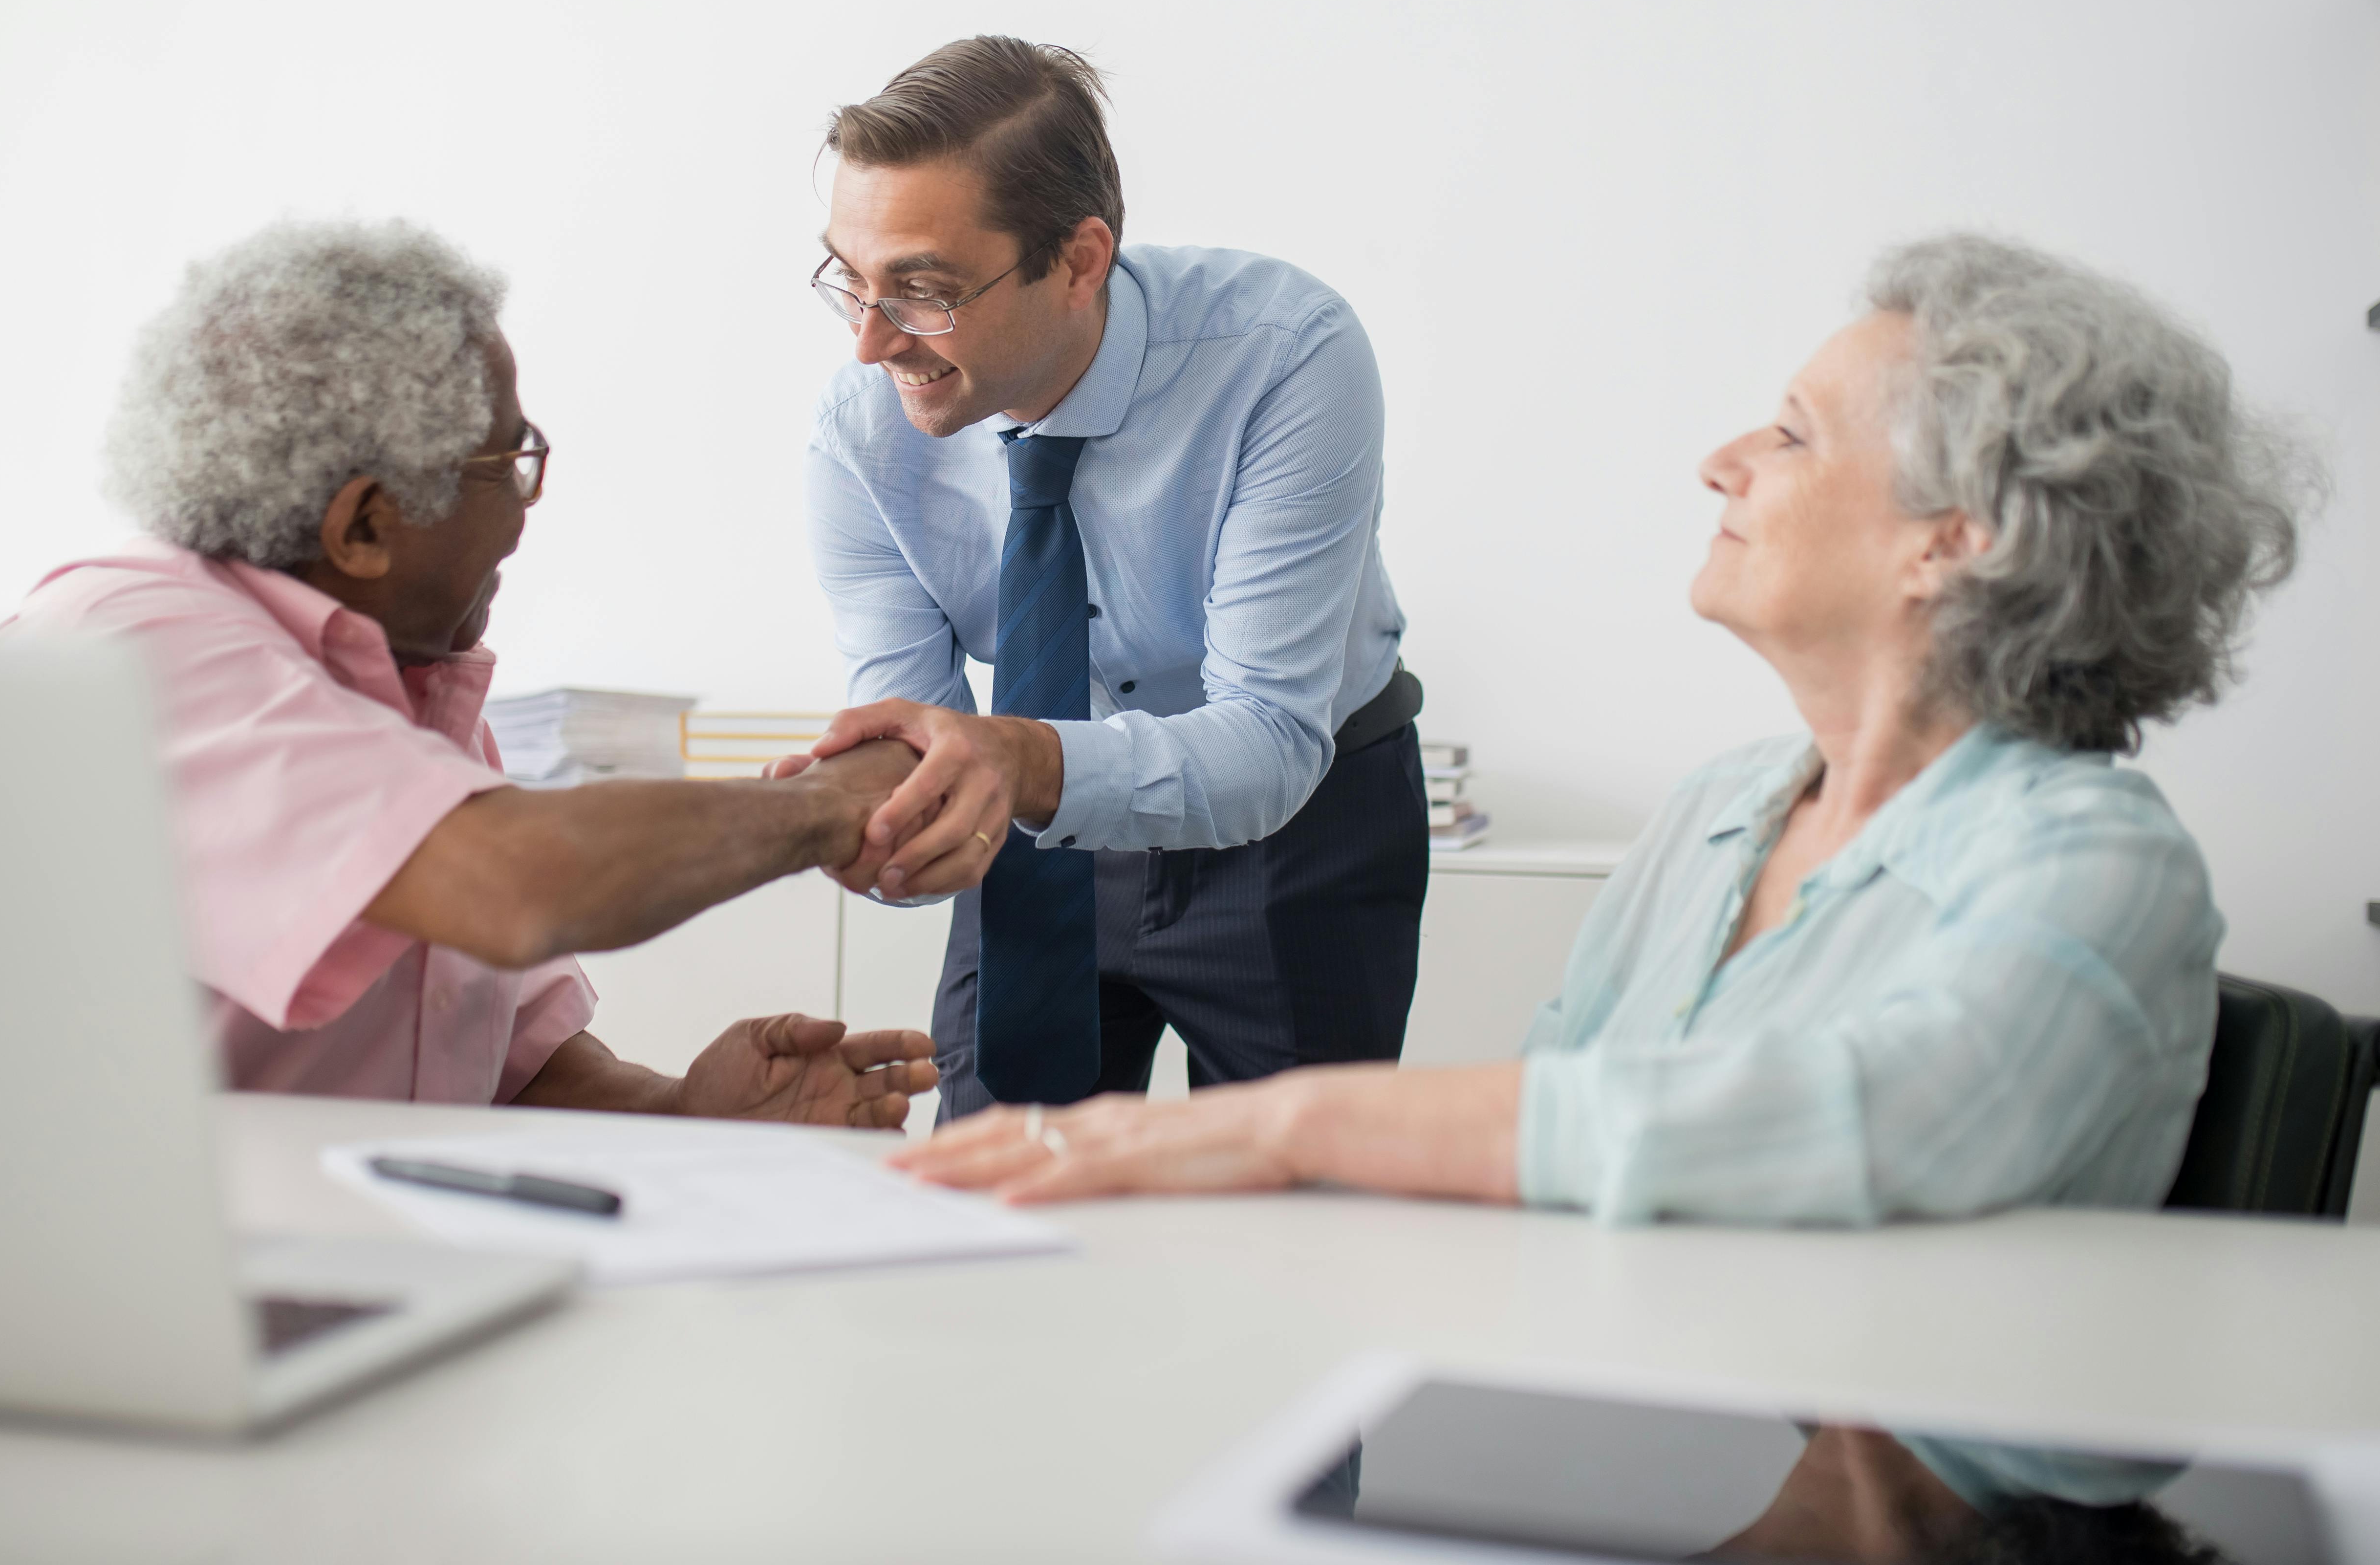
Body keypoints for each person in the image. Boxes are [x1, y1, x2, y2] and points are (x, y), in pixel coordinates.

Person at [894, 235, 2307, 1217]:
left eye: (1796, 434)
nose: (1725, 460)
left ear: (1954, 539)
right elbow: (1562, 1134)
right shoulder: (1726, 812)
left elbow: (1861, 1122)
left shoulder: (2096, 859)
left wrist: (1269, 1126)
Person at [0, 219, 939, 1125]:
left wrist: (683, 1109)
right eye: (509, 462)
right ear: (365, 525)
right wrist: (831, 803)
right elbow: (518, 887)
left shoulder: (400, 687)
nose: (527, 508)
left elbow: (498, 1064)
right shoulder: (128, 654)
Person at [791, 36, 1426, 1120]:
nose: (868, 343)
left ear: (1080, 260)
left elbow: (1268, 738)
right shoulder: (860, 435)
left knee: (1295, 1213)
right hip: (1033, 829)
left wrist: (1005, 764)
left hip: (1300, 824)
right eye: (849, 281)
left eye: (922, 290)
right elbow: (923, 742)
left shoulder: (1285, 354)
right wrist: (871, 820)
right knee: (994, 1183)